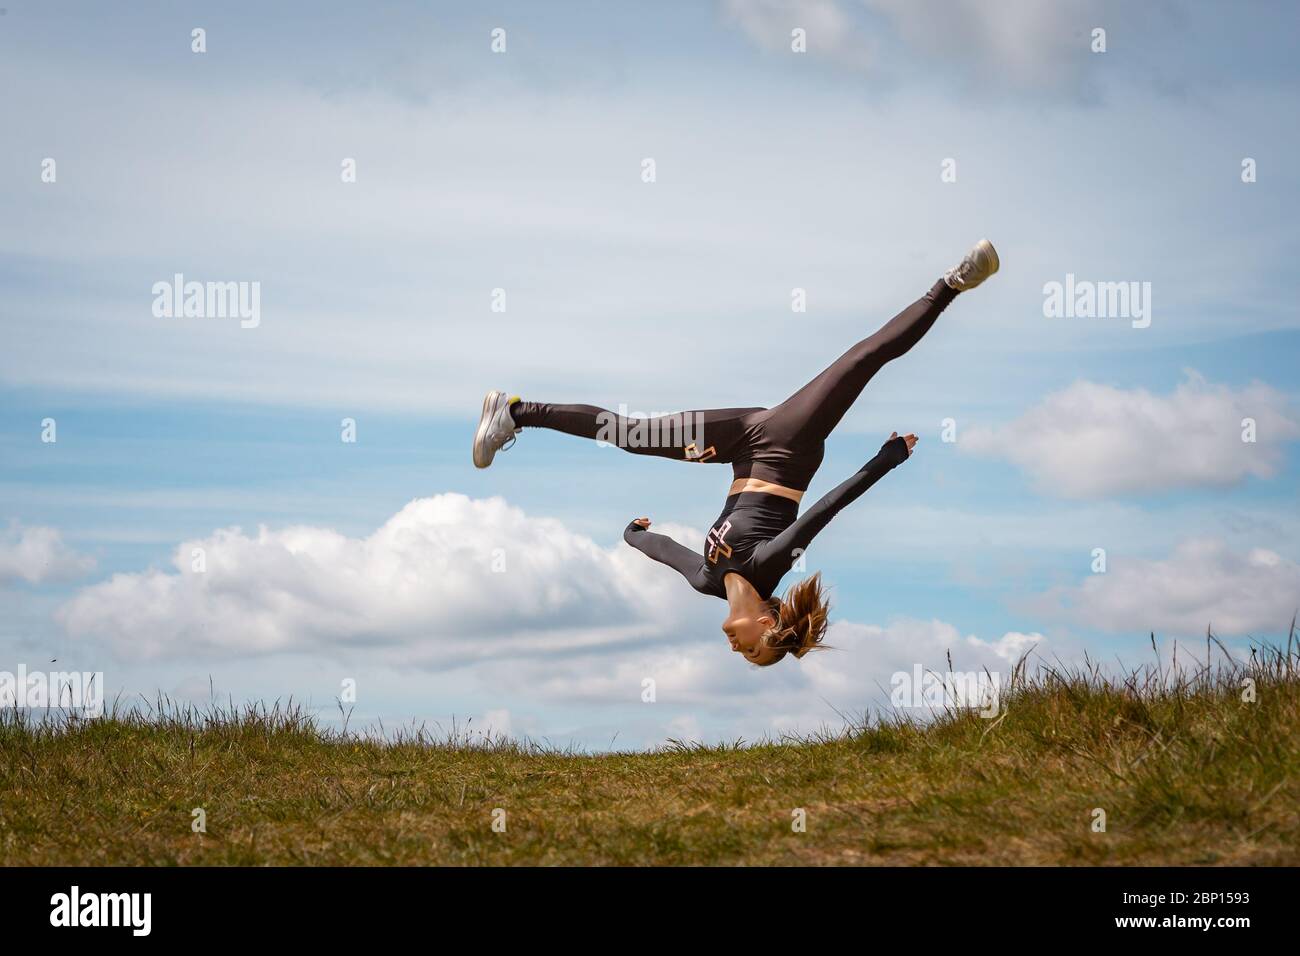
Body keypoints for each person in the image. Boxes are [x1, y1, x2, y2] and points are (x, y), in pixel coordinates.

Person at [472, 240, 999, 666]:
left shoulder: (708, 582)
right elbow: (825, 510)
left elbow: (665, 552)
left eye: (742, 654)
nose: (736, 647)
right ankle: (951, 284)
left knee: (630, 435)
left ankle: (514, 413)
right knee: (862, 360)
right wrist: (886, 460)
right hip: (787, 443)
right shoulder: (770, 564)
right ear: (768, 622)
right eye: (751, 647)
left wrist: (632, 535)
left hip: (739, 446)